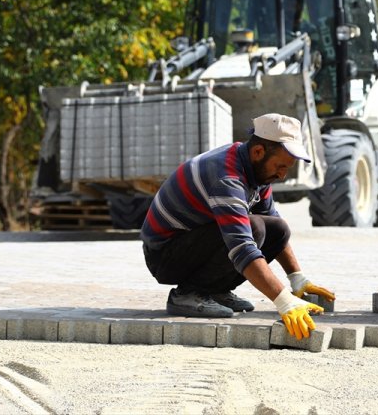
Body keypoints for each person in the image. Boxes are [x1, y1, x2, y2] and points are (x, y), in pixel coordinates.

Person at [141, 113, 334, 340]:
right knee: (252, 230)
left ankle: (215, 289)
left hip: (192, 244)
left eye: (287, 169)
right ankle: (188, 294)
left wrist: (297, 279)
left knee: (276, 229)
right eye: (280, 166)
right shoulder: (226, 176)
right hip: (164, 254)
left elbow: (274, 227)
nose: (282, 175)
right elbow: (242, 246)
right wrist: (284, 301)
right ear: (258, 152)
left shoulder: (257, 172)